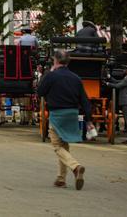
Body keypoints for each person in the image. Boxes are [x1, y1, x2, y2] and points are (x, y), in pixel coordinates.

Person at [38, 49, 91, 189]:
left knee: (56, 146)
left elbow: (40, 92)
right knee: (64, 146)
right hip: (72, 114)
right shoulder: (76, 78)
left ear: (55, 60)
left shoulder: (52, 75)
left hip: (57, 114)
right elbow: (85, 100)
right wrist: (89, 120)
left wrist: (48, 73)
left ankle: (75, 167)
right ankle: (61, 179)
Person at [105, 64, 127, 144]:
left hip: (126, 102)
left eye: (126, 69)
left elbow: (118, 85)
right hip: (126, 102)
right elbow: (117, 81)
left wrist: (108, 84)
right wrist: (109, 77)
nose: (124, 70)